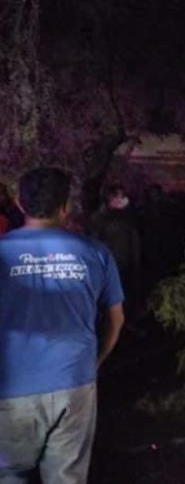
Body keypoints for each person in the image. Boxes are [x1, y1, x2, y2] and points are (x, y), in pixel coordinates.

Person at [0, 167, 125, 483]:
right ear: (66, 206)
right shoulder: (95, 252)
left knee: (10, 474)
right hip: (74, 381)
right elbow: (116, 319)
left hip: (10, 386)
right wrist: (93, 363)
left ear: (19, 203)